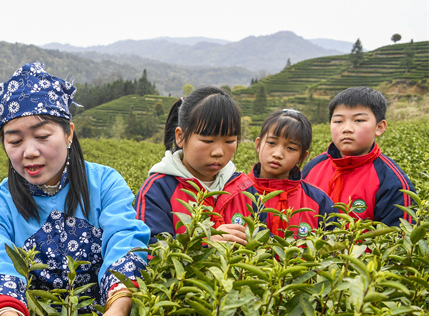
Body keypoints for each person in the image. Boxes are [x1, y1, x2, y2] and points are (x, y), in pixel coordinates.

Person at [0, 62, 150, 316]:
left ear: (68, 134)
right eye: (15, 140)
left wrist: (116, 313)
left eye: (42, 136)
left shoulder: (105, 183)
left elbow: (124, 243)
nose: (29, 151)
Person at [134, 86, 251, 244]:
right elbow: (146, 250)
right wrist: (201, 242)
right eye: (207, 141)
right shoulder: (158, 189)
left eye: (229, 141)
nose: (218, 152)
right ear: (180, 137)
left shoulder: (244, 188)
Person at [302, 87, 415, 226]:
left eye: (359, 120)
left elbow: (398, 241)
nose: (347, 128)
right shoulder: (313, 167)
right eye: (338, 121)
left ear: (379, 127)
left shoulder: (392, 181)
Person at [218, 109, 337, 238]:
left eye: (291, 148)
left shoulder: (318, 201)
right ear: (258, 144)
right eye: (271, 143)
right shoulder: (231, 192)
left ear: (302, 156)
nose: (278, 154)